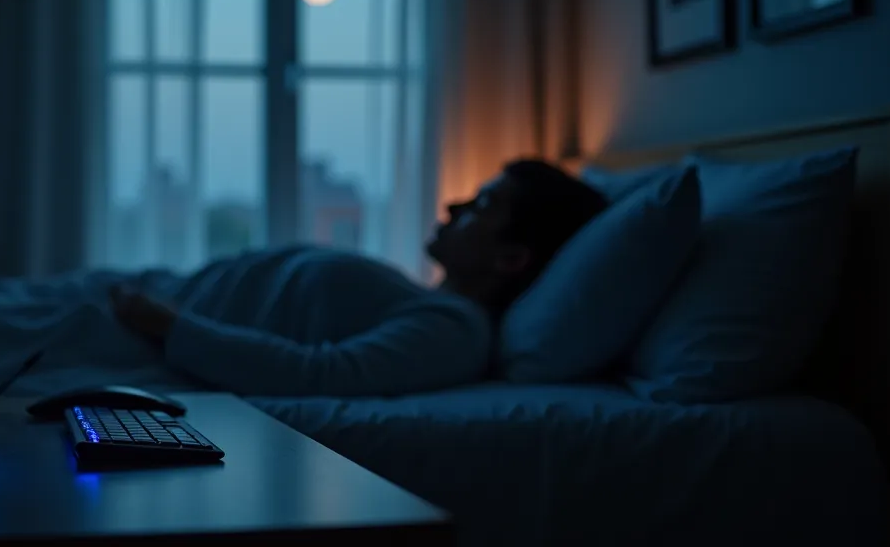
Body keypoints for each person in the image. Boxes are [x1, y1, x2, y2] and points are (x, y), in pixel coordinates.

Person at [107, 159, 609, 398]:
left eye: (482, 206)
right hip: (152, 296)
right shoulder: (429, 304)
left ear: (511, 258)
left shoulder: (456, 331)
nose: (454, 205)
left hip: (141, 326)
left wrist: (169, 325)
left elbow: (317, 375)